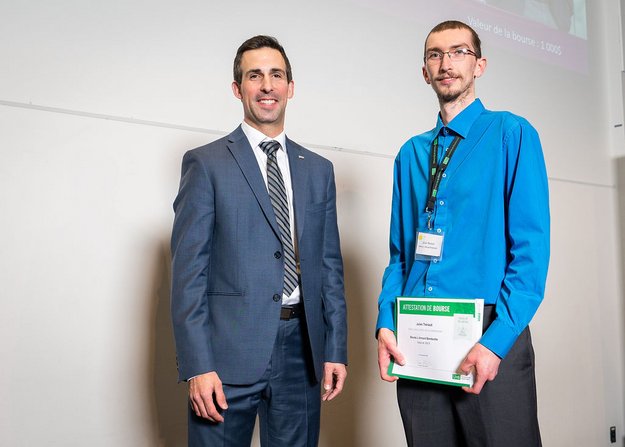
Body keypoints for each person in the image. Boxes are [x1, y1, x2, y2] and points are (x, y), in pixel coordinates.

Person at [376, 20, 549, 447]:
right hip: (417, 336)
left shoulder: (512, 134)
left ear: (480, 65)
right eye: (435, 54)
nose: (446, 63)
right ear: (424, 72)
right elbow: (400, 255)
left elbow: (530, 252)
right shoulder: (411, 153)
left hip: (488, 335)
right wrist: (385, 323)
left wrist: (496, 343)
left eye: (458, 52)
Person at [171, 35, 347, 446]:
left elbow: (328, 267)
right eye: (255, 76)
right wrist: (198, 365)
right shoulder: (206, 163)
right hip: (225, 356)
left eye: (276, 75)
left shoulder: (318, 169)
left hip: (301, 354)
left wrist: (335, 347)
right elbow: (188, 274)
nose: (267, 85)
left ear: (290, 87)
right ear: (238, 89)